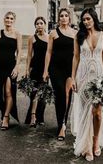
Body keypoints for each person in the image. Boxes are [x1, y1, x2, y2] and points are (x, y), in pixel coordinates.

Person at [70, 7, 103, 161]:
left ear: (94, 18)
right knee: (85, 112)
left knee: (98, 112)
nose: (86, 22)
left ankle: (96, 142)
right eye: (84, 20)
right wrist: (73, 77)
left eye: (88, 19)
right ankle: (87, 146)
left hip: (99, 77)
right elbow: (75, 57)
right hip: (83, 77)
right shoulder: (78, 36)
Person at [43, 8, 76, 140]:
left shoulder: (75, 33)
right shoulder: (53, 33)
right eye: (61, 16)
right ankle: (60, 126)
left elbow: (76, 55)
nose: (63, 18)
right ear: (58, 18)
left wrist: (75, 73)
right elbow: (49, 52)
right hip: (55, 69)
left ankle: (63, 122)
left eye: (66, 16)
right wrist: (45, 70)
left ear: (69, 18)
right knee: (60, 95)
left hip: (69, 69)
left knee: (68, 96)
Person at [0, 11, 22, 130]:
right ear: (4, 19)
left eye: (11, 18)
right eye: (7, 18)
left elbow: (19, 52)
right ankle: (5, 112)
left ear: (14, 20)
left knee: (8, 92)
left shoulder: (17, 34)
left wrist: (17, 67)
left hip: (10, 67)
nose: (9, 20)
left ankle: (6, 117)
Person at [24, 17, 48, 127]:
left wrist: (48, 70)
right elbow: (29, 55)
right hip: (35, 69)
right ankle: (33, 117)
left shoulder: (49, 38)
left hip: (45, 69)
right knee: (34, 94)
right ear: (35, 25)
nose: (39, 25)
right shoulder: (32, 38)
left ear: (45, 25)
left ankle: (40, 117)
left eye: (41, 23)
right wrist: (27, 69)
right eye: (37, 23)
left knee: (42, 95)